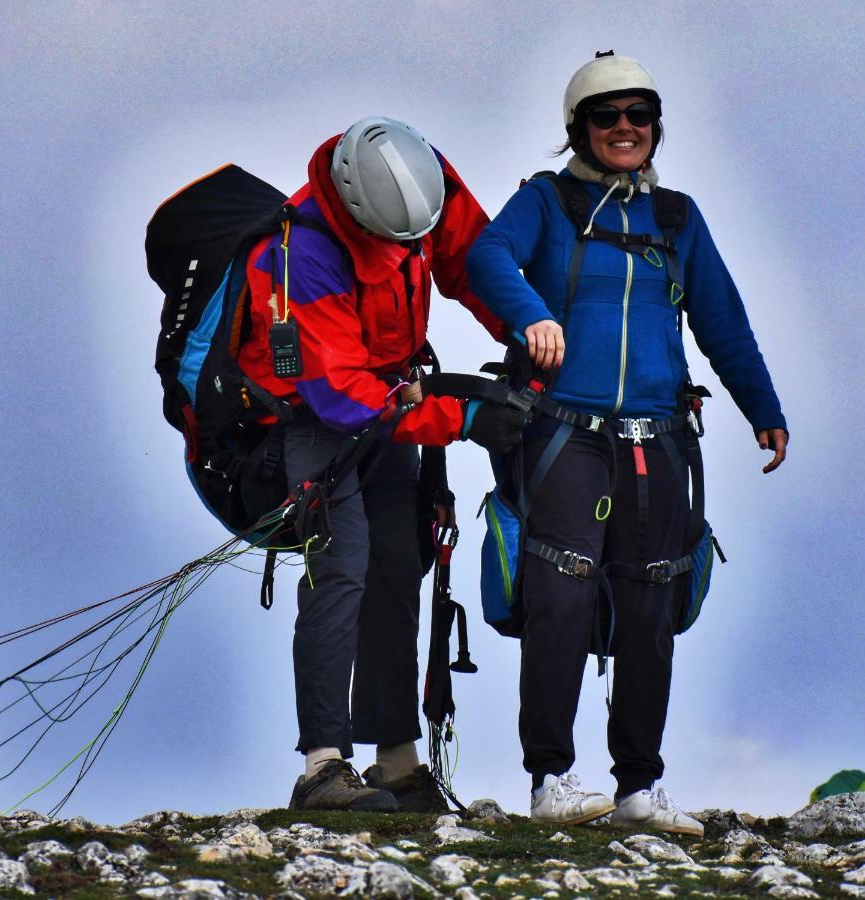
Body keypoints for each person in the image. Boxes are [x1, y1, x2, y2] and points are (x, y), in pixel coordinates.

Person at [466, 52, 788, 836]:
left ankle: (639, 789)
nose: (623, 128)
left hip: (659, 440)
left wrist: (763, 406)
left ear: (654, 127)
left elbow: (722, 320)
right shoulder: (544, 202)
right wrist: (532, 317)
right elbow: (485, 255)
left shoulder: (677, 218)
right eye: (606, 116)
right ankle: (552, 781)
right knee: (560, 598)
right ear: (579, 127)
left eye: (638, 115)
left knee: (652, 607)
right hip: (563, 437)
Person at [237, 117, 506, 811]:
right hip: (319, 421)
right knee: (343, 569)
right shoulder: (298, 258)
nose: (410, 251)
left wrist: (535, 337)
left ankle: (396, 760)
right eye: (397, 242)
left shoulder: (421, 187)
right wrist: (464, 418)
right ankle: (322, 768)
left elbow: (474, 263)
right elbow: (338, 397)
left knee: (396, 567)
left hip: (391, 399)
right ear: (360, 214)